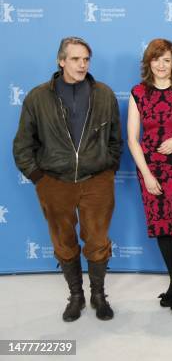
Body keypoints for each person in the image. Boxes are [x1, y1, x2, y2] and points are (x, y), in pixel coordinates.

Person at [13, 36, 122, 322]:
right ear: (61, 61)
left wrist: (108, 170)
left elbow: (115, 140)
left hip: (97, 180)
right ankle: (76, 296)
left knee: (97, 240)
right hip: (55, 181)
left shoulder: (104, 94)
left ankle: (98, 295)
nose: (82, 64)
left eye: (86, 59)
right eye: (75, 59)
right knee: (63, 241)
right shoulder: (38, 97)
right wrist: (40, 178)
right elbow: (23, 145)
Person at [127, 39, 172, 315]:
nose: (161, 65)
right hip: (150, 170)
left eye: (167, 60)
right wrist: (146, 174)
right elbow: (133, 139)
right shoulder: (138, 93)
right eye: (156, 59)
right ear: (149, 63)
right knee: (161, 226)